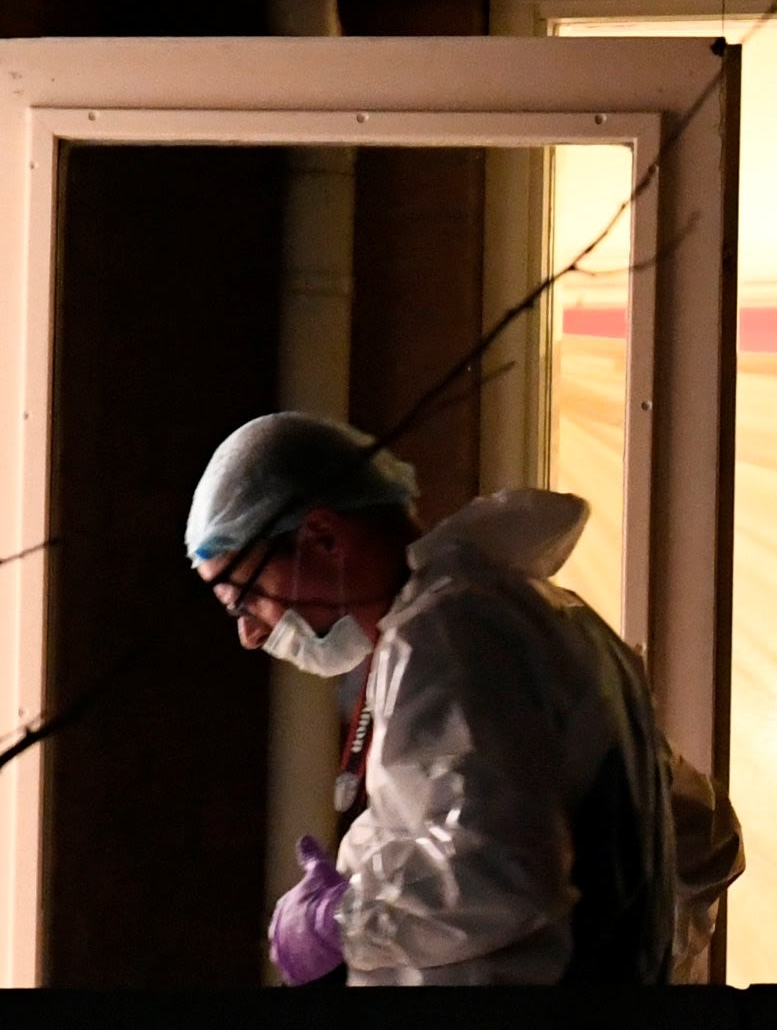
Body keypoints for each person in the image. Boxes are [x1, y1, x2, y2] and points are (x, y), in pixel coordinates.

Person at [185, 413, 742, 986]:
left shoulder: (449, 634)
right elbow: (702, 835)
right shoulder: (549, 621)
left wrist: (339, 921)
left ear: (324, 539)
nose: (249, 633)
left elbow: (497, 873)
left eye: (245, 599)